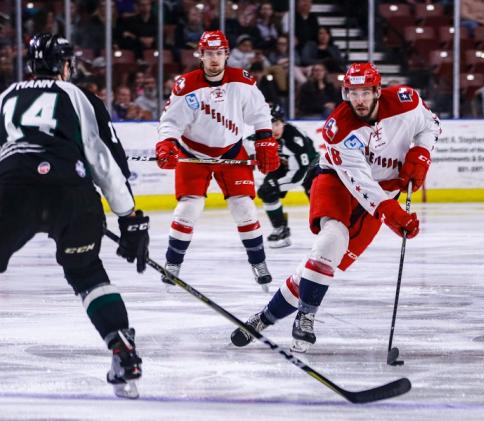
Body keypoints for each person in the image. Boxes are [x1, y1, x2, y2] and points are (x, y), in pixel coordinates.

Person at [231, 63, 440, 353]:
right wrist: (391, 212)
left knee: (322, 261)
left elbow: (431, 125)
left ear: (378, 91)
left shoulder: (407, 102)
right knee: (333, 237)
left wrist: (422, 153)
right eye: (352, 93)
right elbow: (361, 184)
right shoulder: (339, 129)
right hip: (337, 181)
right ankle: (306, 317)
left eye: (365, 92)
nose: (359, 100)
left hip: (384, 192)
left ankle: (264, 318)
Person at [0, 33, 148, 399]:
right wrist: (128, 217)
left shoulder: (6, 97)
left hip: (13, 188)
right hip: (71, 190)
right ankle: (120, 347)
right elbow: (103, 158)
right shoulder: (78, 96)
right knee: (86, 272)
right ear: (67, 65)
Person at [155, 30, 280, 290]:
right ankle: (173, 264)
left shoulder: (243, 81)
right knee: (188, 209)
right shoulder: (186, 85)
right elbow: (170, 122)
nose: (214, 59)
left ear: (227, 54)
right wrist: (167, 143)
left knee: (244, 208)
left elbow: (260, 113)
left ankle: (258, 262)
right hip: (193, 154)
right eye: (209, 53)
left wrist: (265, 140)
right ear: (200, 55)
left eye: (219, 53)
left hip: (231, 152)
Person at [247, 102, 319, 248]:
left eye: (277, 123)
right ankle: (280, 230)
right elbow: (243, 146)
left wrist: (277, 184)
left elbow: (300, 173)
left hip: (310, 170)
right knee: (266, 192)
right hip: (285, 166)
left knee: (319, 204)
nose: (274, 129)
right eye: (269, 124)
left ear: (283, 122)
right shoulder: (260, 136)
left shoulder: (293, 139)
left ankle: (331, 233)